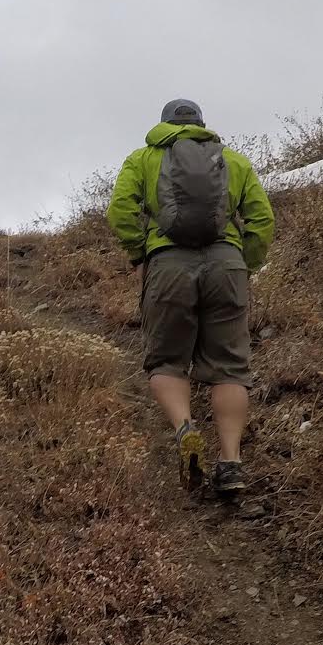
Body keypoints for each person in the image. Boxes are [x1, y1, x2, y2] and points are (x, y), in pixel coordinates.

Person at [106, 99, 275, 492]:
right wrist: (244, 262)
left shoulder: (143, 158)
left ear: (164, 125)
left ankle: (185, 430)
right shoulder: (232, 159)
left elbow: (120, 211)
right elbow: (263, 218)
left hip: (168, 265)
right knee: (230, 366)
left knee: (167, 361)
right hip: (226, 264)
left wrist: (139, 251)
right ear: (201, 124)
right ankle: (231, 463)